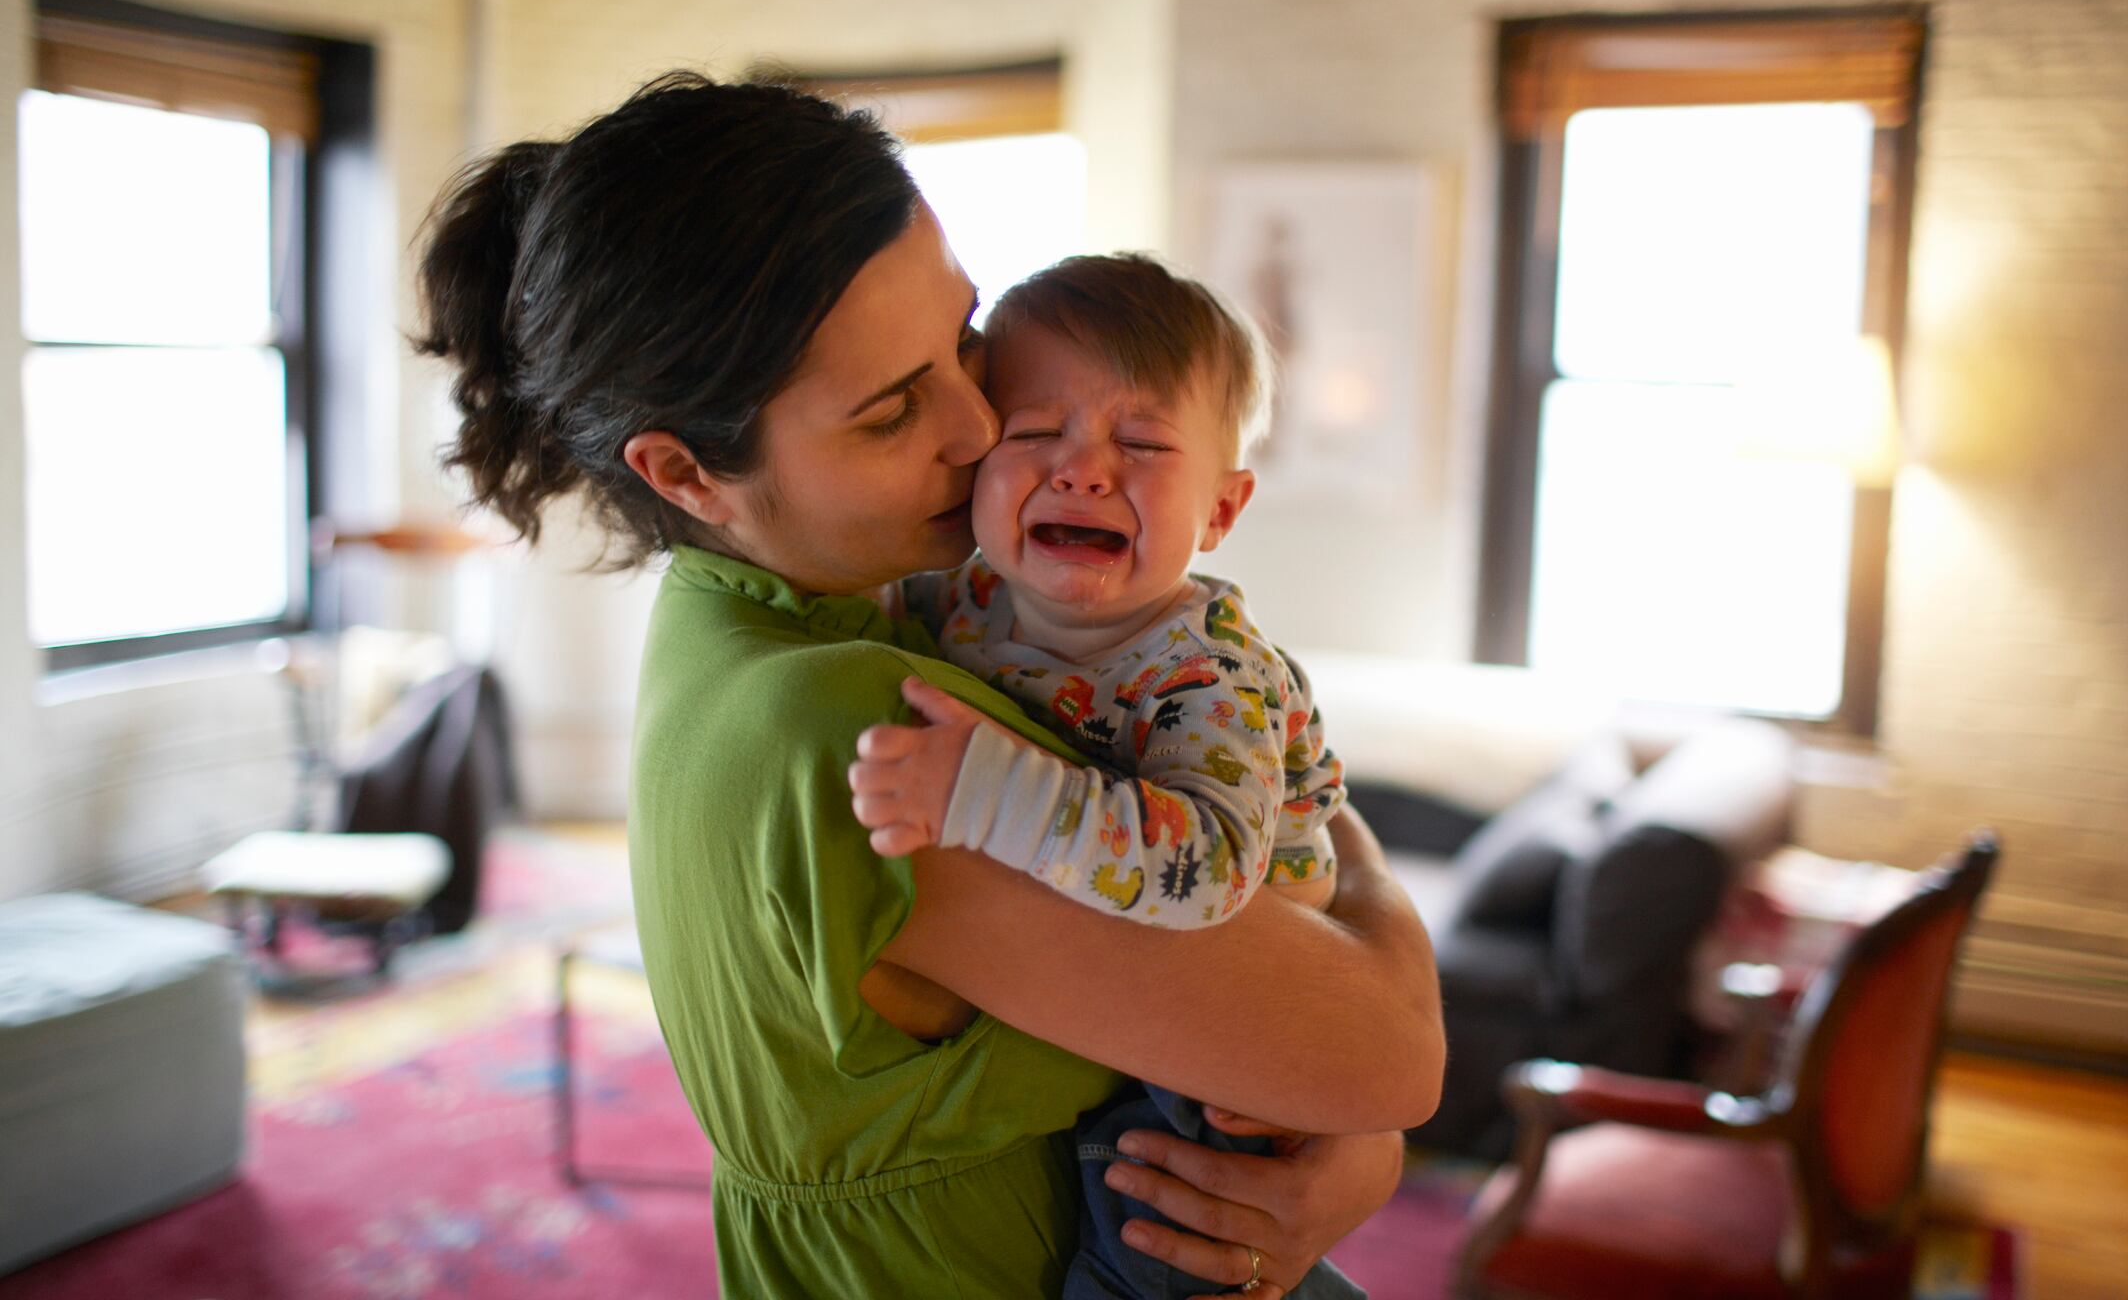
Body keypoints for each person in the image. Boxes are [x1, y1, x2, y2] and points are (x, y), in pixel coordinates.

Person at [415, 70, 1445, 1299]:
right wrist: (1362, 1063)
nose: (980, 426)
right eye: (896, 407)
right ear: (687, 471)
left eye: (961, 340)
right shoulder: (863, 733)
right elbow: (1386, 1054)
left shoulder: (812, 617)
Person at [848, 252, 1362, 1299]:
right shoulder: (961, 598)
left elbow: (1209, 871)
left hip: (1224, 1024)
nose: (1083, 469)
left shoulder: (1206, 674)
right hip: (1090, 977)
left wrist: (986, 793)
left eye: (1141, 442)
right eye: (1033, 432)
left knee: (1163, 1237)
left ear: (1220, 512)